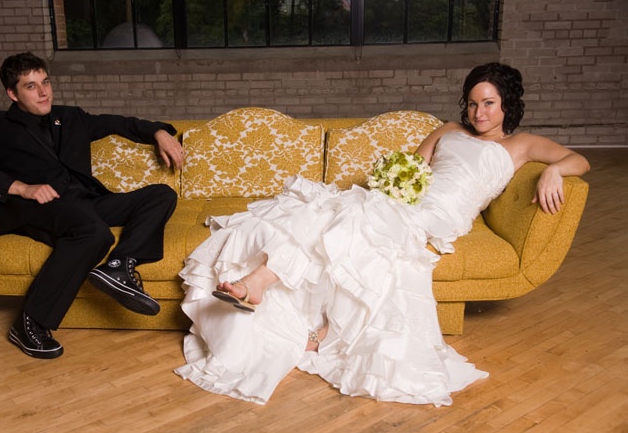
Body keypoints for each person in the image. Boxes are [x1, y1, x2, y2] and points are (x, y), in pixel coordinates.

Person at [174, 62, 590, 406]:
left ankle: (275, 295)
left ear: (507, 104)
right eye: (472, 103)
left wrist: (553, 171)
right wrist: (392, 186)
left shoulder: (522, 145)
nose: (479, 113)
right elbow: (410, 168)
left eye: (489, 103)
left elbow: (580, 160)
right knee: (335, 216)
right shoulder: (448, 129)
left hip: (439, 218)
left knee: (348, 222)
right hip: (404, 203)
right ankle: (267, 288)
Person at [0, 52, 184, 359]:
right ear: (12, 94)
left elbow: (119, 123)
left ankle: (118, 267)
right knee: (95, 234)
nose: (43, 92)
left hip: (86, 201)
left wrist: (159, 132)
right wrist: (22, 188)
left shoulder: (70, 117)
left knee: (161, 195)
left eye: (45, 82)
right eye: (31, 86)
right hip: (40, 207)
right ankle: (29, 323)